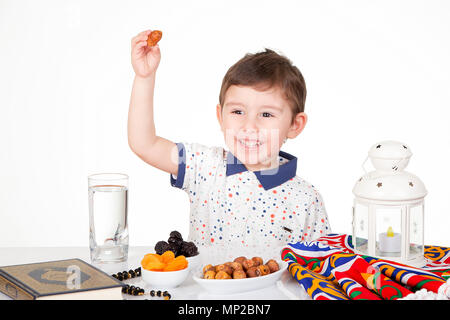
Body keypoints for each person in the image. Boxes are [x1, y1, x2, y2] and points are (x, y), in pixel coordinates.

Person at [128, 29, 331, 250]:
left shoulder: (306, 199)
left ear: (295, 125)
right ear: (220, 116)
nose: (249, 127)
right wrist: (144, 77)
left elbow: (322, 268)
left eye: (266, 114)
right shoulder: (204, 166)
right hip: (205, 285)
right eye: (237, 112)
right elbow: (144, 143)